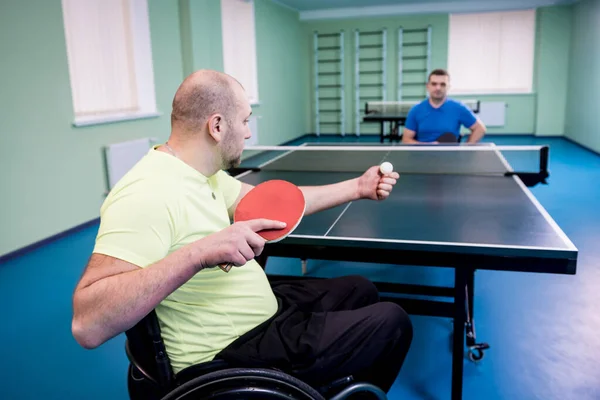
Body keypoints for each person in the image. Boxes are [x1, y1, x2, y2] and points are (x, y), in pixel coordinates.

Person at [71, 69, 413, 394]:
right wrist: (199, 253)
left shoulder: (201, 173)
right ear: (217, 126)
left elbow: (282, 204)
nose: (249, 132)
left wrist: (358, 187)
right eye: (245, 121)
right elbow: (87, 325)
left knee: (360, 288)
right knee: (392, 323)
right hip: (230, 347)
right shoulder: (147, 192)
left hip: (254, 306)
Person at [402, 68, 487, 144]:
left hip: (449, 157)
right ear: (428, 86)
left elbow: (480, 129)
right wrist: (429, 147)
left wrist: (466, 149)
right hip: (422, 156)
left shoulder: (459, 108)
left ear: (448, 87)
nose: (438, 88)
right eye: (434, 84)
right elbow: (406, 140)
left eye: (442, 84)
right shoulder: (416, 110)